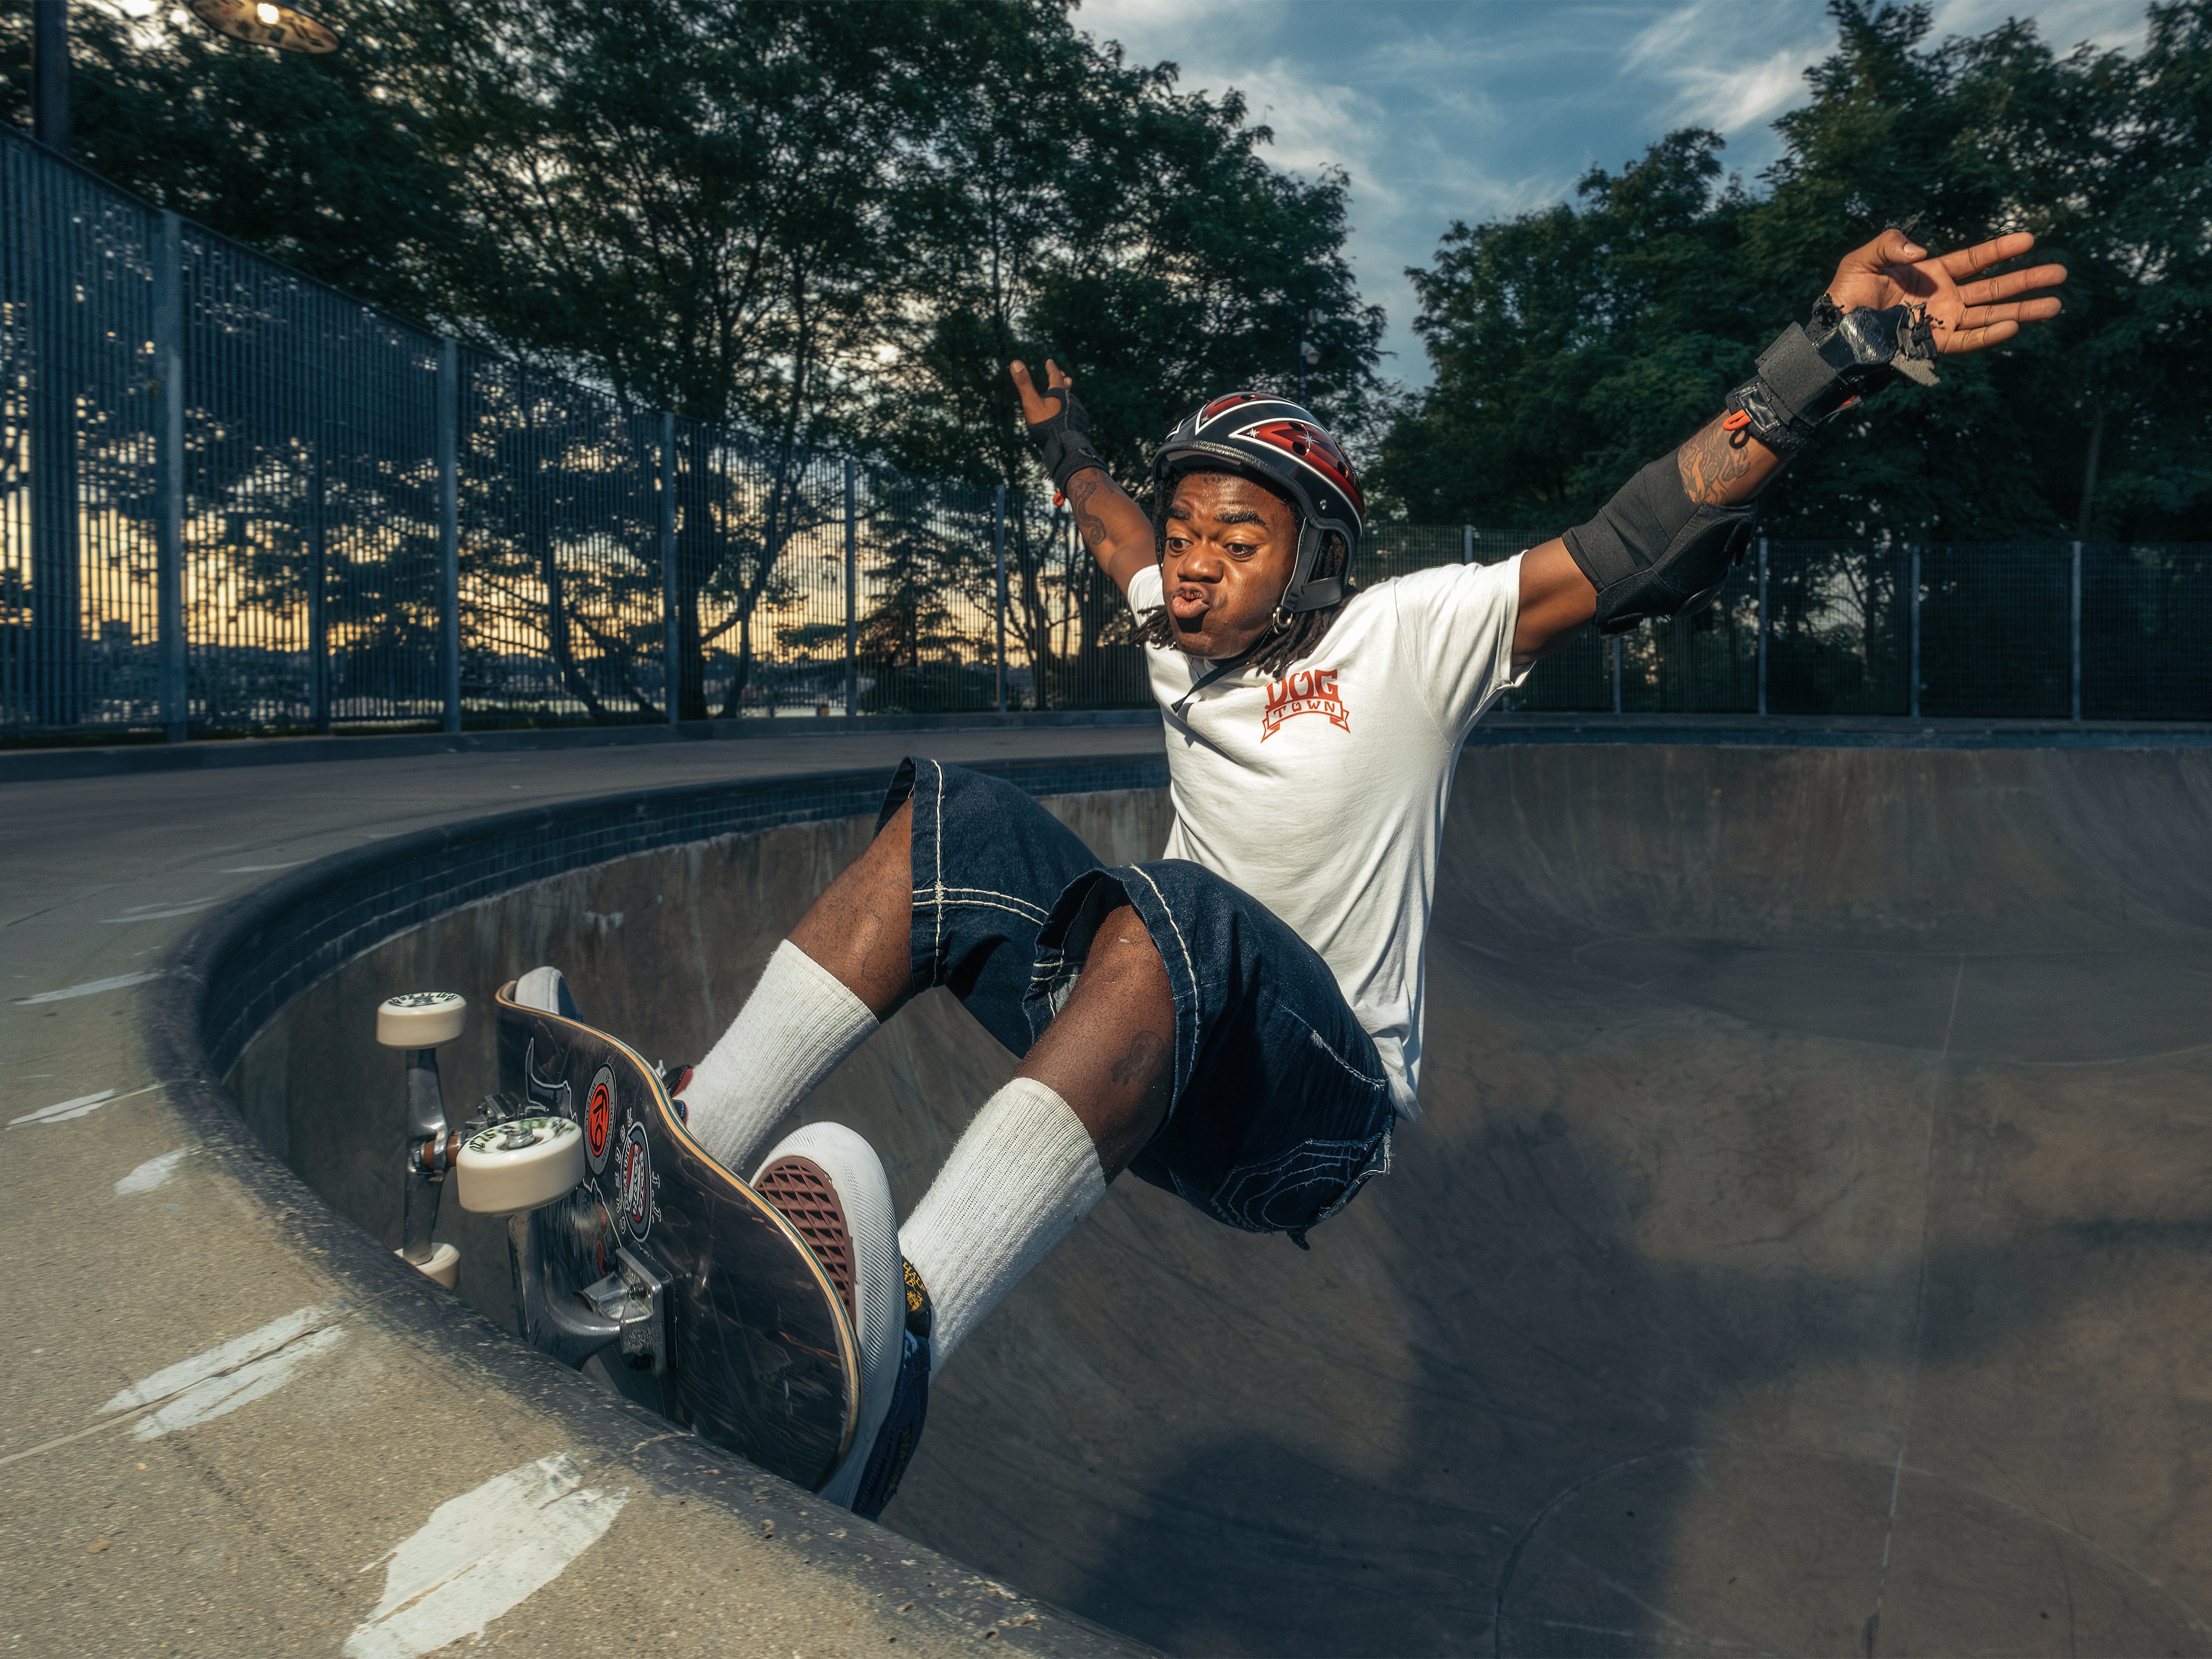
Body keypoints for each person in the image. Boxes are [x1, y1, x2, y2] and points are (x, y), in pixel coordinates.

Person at [571, 227, 2065, 1519]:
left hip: (1307, 1108)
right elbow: (1107, 520)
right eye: (1188, 533)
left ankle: (897, 1353)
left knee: (1184, 915)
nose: (1193, 561)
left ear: (1316, 561)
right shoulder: (1173, 623)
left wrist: (1826, 358)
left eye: (1238, 537)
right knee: (954, 822)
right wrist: (1066, 440)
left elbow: (1630, 544)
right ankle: (677, 1152)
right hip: (1142, 1052)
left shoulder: (1410, 637)